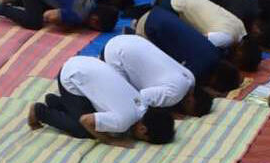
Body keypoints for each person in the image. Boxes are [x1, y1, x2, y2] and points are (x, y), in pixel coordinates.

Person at [28, 55, 176, 145]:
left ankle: (56, 102)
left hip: (86, 63)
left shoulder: (143, 103)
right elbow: (86, 120)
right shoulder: (123, 122)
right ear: (143, 130)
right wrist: (111, 141)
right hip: (71, 77)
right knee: (84, 130)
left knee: (97, 118)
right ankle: (40, 111)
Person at [101, 34, 212, 116]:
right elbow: (140, 98)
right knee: (126, 102)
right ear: (190, 101)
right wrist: (168, 113)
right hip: (116, 53)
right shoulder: (174, 95)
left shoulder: (191, 78)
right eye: (189, 111)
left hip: (131, 39)